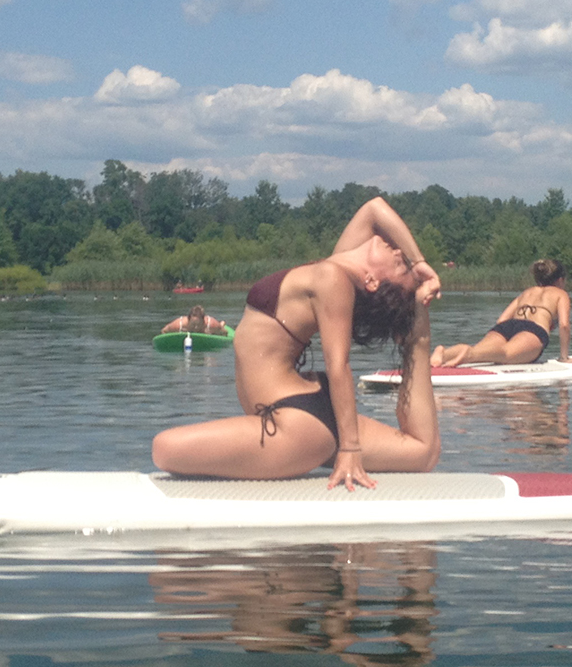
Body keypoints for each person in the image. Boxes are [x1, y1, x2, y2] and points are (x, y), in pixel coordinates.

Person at [152, 196, 440, 490]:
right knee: (421, 451)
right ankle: (417, 334)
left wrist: (350, 450)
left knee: (164, 449)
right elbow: (373, 208)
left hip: (295, 422)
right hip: (304, 406)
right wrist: (419, 262)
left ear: (373, 282)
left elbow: (338, 364)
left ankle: (418, 334)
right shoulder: (334, 266)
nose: (398, 251)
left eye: (402, 266)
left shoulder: (333, 280)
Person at [431, 258, 571, 367]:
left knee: (479, 350)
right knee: (506, 354)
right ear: (560, 280)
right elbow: (564, 325)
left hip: (507, 326)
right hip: (533, 330)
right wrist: (564, 357)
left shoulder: (527, 292)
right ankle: (467, 354)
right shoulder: (560, 294)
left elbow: (501, 320)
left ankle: (443, 354)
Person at [161, 305, 227, 336]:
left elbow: (225, 333)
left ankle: (222, 323)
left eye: (198, 325)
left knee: (220, 326)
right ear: (188, 320)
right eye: (193, 324)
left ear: (203, 321)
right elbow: (163, 331)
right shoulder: (179, 325)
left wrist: (213, 334)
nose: (195, 327)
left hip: (213, 327)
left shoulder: (211, 325)